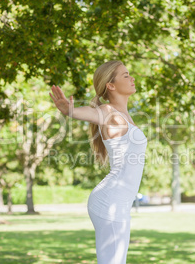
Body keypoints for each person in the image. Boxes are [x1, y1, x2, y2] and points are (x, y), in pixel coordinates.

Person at [49, 60, 148, 263]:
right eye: (126, 75)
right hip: (110, 201)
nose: (132, 78)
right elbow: (92, 114)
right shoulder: (108, 113)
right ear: (110, 85)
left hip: (118, 202)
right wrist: (70, 111)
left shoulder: (124, 115)